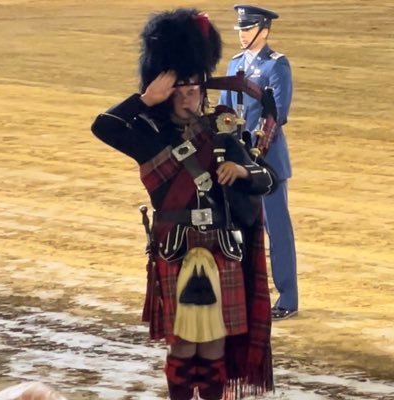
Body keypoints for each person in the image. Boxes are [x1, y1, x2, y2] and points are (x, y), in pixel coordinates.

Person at [91, 8, 278, 400]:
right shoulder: (148, 134)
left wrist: (241, 173)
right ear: (164, 87)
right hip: (176, 248)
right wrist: (144, 100)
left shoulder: (223, 130)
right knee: (181, 344)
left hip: (221, 248)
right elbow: (103, 126)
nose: (188, 93)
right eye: (179, 86)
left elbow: (266, 181)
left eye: (194, 85)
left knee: (214, 343)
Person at [220, 4, 298, 320]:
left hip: (268, 161)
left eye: (249, 29)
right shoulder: (234, 63)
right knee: (243, 231)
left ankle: (288, 298)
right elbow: (225, 113)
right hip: (240, 162)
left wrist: (255, 152)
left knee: (277, 230)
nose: (243, 35)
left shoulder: (276, 65)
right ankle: (249, 296)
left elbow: (277, 114)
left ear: (264, 31)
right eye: (241, 30)